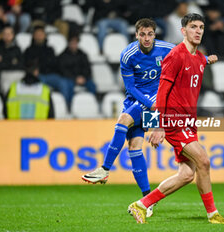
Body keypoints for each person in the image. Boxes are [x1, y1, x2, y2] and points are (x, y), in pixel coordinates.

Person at [127, 13, 224, 224]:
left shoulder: (198, 56)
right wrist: (158, 126)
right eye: (193, 27)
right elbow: (162, 92)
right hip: (173, 121)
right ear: (183, 31)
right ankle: (212, 214)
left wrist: (208, 60)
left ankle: (142, 204)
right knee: (204, 160)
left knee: (186, 174)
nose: (198, 31)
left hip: (189, 121)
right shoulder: (175, 55)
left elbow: (197, 62)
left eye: (201, 27)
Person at [81, 18, 175, 217]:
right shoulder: (128, 55)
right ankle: (147, 200)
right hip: (139, 100)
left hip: (156, 98)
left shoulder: (167, 49)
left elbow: (186, 54)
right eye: (143, 34)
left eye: (150, 34)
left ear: (155, 34)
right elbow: (130, 87)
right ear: (136, 35)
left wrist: (203, 59)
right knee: (134, 148)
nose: (147, 38)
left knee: (123, 120)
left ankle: (105, 168)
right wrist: (150, 105)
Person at [24, 26, 70, 104]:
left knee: (64, 83)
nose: (39, 36)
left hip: (51, 75)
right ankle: (42, 105)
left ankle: (66, 106)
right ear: (33, 36)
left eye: (41, 34)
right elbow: (26, 65)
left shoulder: (50, 49)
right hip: (38, 76)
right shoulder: (29, 50)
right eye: (37, 34)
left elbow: (55, 63)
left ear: (45, 36)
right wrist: (33, 70)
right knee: (40, 84)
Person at [58, 33, 96, 105]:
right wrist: (75, 78)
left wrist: (83, 77)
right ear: (68, 43)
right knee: (68, 85)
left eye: (75, 43)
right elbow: (63, 71)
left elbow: (87, 68)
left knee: (92, 85)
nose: (74, 44)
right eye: (72, 42)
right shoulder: (63, 56)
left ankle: (92, 104)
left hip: (82, 78)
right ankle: (69, 105)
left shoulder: (83, 54)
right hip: (70, 78)